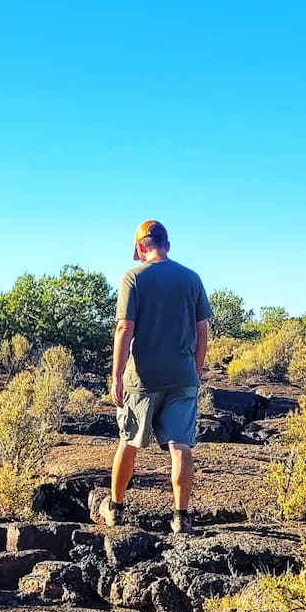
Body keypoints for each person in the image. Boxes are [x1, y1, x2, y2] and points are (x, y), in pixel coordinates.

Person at [94, 218, 211, 535]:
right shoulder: (191, 278)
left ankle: (115, 509)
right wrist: (195, 371)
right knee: (180, 446)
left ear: (139, 247)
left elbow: (124, 328)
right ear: (167, 245)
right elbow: (203, 331)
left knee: (128, 441)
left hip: (142, 379)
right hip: (182, 376)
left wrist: (117, 375)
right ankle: (181, 517)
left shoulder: (133, 277)